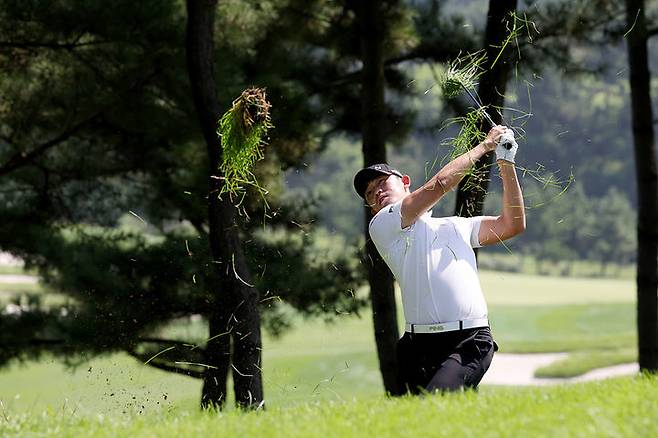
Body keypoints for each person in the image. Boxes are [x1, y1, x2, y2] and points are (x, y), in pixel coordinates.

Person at [353, 125, 525, 394]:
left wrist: (506, 162)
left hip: (468, 340)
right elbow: (440, 185)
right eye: (369, 193)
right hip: (417, 345)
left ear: (405, 182)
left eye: (382, 182)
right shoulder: (381, 225)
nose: (376, 192)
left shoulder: (457, 226)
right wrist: (485, 146)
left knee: (436, 402)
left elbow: (511, 224)